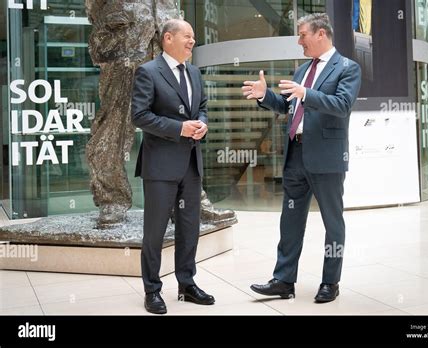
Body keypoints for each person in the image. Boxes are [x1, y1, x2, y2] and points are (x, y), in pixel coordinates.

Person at [242, 13, 361, 303]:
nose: (299, 41)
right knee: (290, 220)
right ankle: (283, 280)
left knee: (333, 222)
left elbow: (342, 105)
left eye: (303, 34)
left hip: (327, 157)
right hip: (296, 155)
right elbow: (286, 106)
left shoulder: (348, 68)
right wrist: (264, 95)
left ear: (321, 34)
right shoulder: (302, 70)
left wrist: (306, 93)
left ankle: (330, 282)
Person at [131, 19, 214, 314]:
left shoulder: (194, 72)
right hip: (160, 167)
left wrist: (201, 124)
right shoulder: (148, 72)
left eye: (194, 37)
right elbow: (139, 116)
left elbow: (202, 107)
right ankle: (152, 290)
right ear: (168, 38)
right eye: (188, 36)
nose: (193, 41)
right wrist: (179, 128)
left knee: (189, 228)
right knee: (154, 232)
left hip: (191, 164)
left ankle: (187, 285)